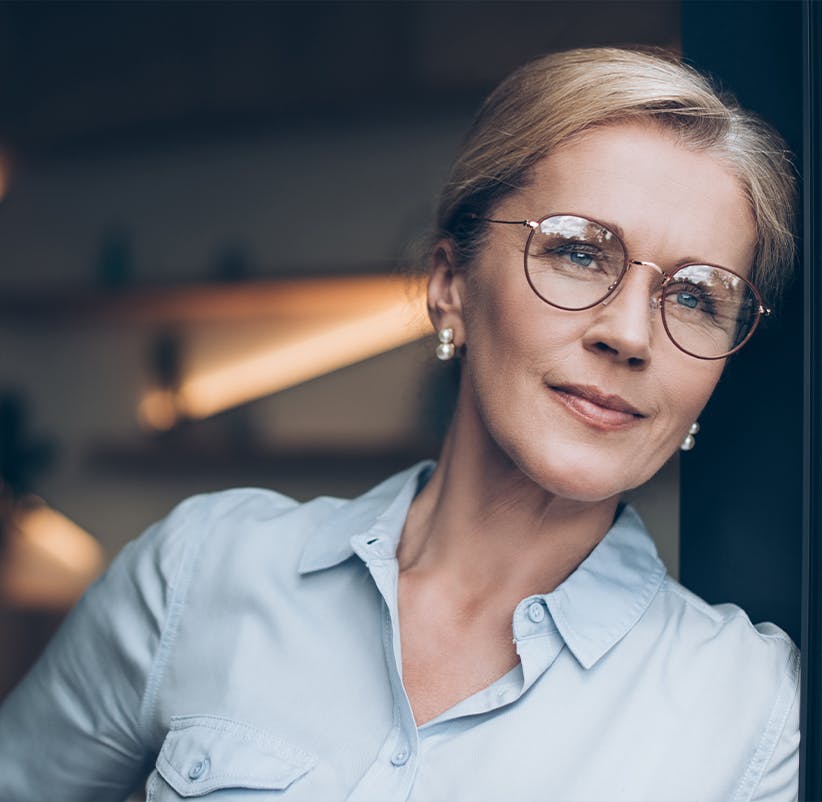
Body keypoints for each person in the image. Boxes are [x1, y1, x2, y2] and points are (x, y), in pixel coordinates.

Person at [0, 47, 799, 802]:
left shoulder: (753, 714)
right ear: (451, 285)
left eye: (698, 297)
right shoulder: (202, 571)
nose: (630, 334)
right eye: (580, 253)